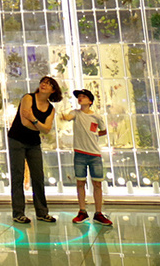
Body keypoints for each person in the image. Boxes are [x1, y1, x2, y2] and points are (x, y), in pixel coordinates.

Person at [7, 75, 62, 224]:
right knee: (17, 175)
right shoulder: (28, 98)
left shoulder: (50, 109)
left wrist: (34, 119)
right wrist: (39, 125)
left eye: (49, 84)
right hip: (17, 139)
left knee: (38, 176)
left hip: (33, 143)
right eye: (43, 82)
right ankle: (18, 213)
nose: (44, 84)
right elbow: (25, 122)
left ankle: (42, 212)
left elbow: (47, 129)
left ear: (53, 90)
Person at [61, 88, 112, 226]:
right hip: (80, 153)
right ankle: (82, 211)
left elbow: (103, 131)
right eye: (79, 97)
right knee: (80, 183)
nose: (80, 98)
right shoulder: (76, 113)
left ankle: (98, 212)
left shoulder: (96, 117)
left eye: (83, 96)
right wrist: (63, 116)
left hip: (94, 154)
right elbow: (68, 117)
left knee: (97, 183)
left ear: (90, 101)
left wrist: (94, 136)